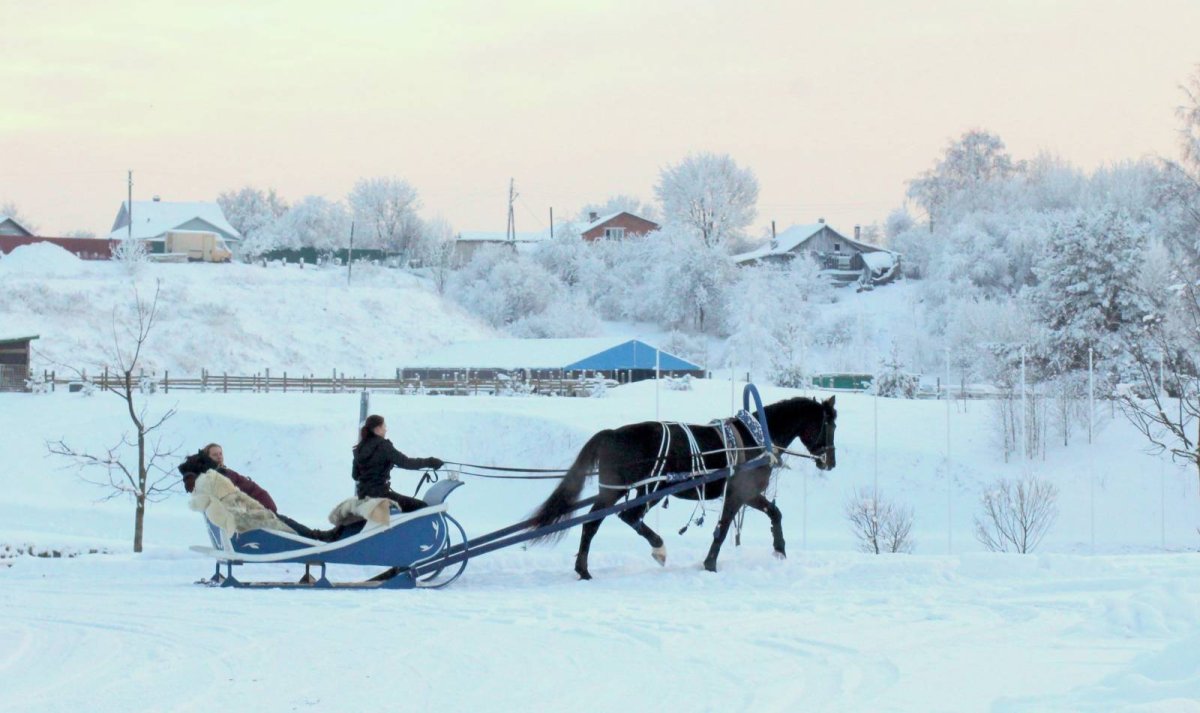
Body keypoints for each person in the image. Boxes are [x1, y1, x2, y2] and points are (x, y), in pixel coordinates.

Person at [178, 449, 334, 542]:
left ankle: (315, 536)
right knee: (284, 522)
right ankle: (315, 537)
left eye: (221, 453)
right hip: (256, 512)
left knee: (285, 520)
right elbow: (234, 500)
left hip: (259, 507)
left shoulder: (213, 479)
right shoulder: (217, 478)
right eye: (214, 455)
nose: (219, 457)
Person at [352, 414, 444, 513]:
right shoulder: (383, 446)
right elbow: (406, 462)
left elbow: (355, 475)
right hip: (380, 496)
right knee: (422, 507)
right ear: (377, 429)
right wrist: (430, 462)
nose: (386, 429)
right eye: (384, 427)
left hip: (363, 497)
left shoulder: (360, 448)